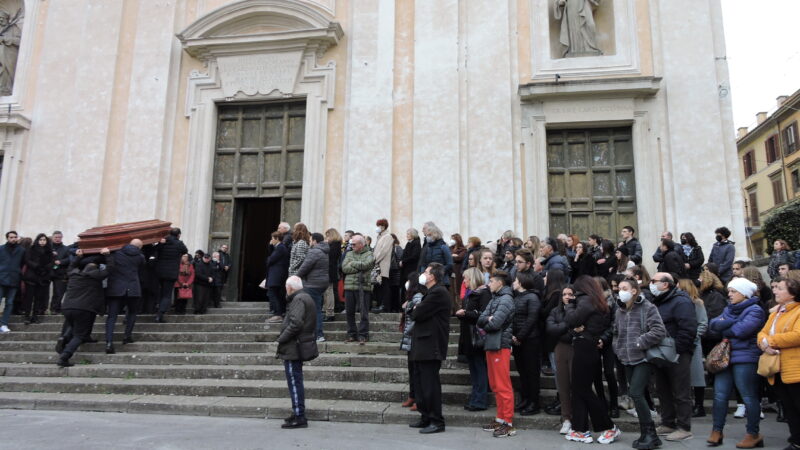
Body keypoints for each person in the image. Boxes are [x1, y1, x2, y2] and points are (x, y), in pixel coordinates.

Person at [706, 277, 766, 448]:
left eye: (733, 291)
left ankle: (753, 433)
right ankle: (717, 431)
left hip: (746, 358)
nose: (729, 295)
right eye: (729, 291)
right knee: (719, 395)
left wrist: (725, 325)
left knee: (748, 396)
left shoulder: (755, 310)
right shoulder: (729, 309)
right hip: (726, 357)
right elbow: (713, 324)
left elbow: (741, 331)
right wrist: (726, 324)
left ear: (744, 294)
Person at [564, 275, 620, 444]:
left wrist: (570, 305)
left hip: (585, 348)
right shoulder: (596, 300)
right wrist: (577, 329)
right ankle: (580, 429)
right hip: (588, 346)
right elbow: (576, 326)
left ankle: (609, 427)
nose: (572, 293)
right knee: (580, 389)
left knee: (583, 390)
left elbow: (571, 320)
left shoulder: (585, 300)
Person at [614, 277, 667, 450]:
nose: (620, 291)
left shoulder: (648, 308)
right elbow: (616, 333)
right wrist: (618, 348)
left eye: (624, 288)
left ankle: (650, 433)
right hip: (626, 358)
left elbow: (659, 330)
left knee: (636, 392)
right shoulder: (619, 311)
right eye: (619, 288)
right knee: (636, 393)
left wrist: (639, 342)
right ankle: (646, 433)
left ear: (634, 291)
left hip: (643, 358)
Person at [650, 272, 697, 441]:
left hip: (677, 353)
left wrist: (677, 350)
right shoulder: (659, 301)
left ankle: (684, 427)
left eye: (654, 281)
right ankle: (668, 422)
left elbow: (688, 328)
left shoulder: (681, 301)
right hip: (660, 353)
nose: (651, 284)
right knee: (663, 390)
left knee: (681, 391)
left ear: (666, 284)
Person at [409, 263, 450, 434]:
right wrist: (415, 308)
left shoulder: (439, 292)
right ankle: (425, 416)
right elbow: (414, 310)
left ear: (433, 276)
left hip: (431, 345)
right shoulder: (430, 293)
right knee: (420, 383)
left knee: (430, 385)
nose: (423, 274)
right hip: (422, 344)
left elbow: (417, 314)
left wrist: (415, 308)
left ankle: (436, 420)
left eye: (426, 272)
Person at [759, 277, 800, 450]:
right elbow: (762, 333)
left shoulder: (797, 311)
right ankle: (796, 440)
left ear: (793, 293)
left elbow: (797, 335)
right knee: (789, 408)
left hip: (795, 367)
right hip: (778, 368)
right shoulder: (776, 312)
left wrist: (770, 342)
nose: (775, 290)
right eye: (774, 288)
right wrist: (763, 342)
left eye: (780, 288)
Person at [56, 248, 113, 367]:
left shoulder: (73, 274)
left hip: (67, 307)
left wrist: (78, 257)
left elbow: (71, 266)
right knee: (79, 335)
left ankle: (65, 337)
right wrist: (108, 255)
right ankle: (65, 356)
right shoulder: (97, 276)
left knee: (73, 326)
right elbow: (110, 268)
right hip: (84, 308)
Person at [478, 271, 517, 438]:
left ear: (500, 283)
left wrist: (487, 320)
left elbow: (494, 324)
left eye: (492, 281)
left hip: (500, 344)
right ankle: (500, 419)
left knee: (502, 385)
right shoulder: (496, 298)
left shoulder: (506, 299)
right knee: (495, 384)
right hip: (493, 344)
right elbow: (481, 319)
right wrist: (487, 319)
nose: (489, 284)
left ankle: (508, 423)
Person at [276, 276, 318, 429]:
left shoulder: (298, 299)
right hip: (297, 345)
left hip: (294, 346)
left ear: (290, 288)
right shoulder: (304, 297)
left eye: (286, 287)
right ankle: (297, 412)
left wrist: (281, 338)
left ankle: (299, 415)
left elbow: (296, 323)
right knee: (295, 380)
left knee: (294, 381)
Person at [456, 267, 492, 411]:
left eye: (466, 278)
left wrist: (466, 313)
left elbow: (484, 315)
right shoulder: (473, 293)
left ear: (472, 278)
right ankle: (475, 398)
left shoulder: (483, 293)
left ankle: (480, 400)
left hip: (477, 337)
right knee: (474, 370)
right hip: (469, 337)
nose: (464, 281)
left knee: (479, 369)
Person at [511, 270, 544, 416]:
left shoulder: (532, 297)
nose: (513, 283)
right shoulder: (518, 297)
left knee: (531, 372)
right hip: (519, 340)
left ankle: (534, 402)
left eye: (515, 280)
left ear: (521, 282)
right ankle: (525, 399)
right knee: (522, 372)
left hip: (530, 340)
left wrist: (520, 336)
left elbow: (532, 319)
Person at [105, 239, 145, 353]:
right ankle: (127, 336)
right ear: (140, 247)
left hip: (116, 288)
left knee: (112, 316)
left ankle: (109, 342)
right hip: (133, 288)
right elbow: (142, 267)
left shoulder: (116, 253)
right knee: (132, 313)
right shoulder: (140, 257)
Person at [677, 279, 709, 419]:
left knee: (697, 376)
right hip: (681, 342)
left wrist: (692, 337)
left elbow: (702, 323)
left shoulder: (697, 303)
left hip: (693, 343)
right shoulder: (678, 304)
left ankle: (699, 405)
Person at [547, 285, 575, 434]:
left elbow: (575, 331)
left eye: (570, 294)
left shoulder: (578, 310)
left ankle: (578, 416)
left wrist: (561, 329)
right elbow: (551, 329)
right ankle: (566, 419)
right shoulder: (555, 311)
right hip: (560, 348)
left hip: (576, 349)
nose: (567, 296)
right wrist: (567, 327)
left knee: (576, 385)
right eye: (564, 294)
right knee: (563, 386)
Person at [296, 232, 329, 342]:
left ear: (315, 241)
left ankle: (318, 334)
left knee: (314, 310)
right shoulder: (324, 250)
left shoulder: (314, 251)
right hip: (321, 283)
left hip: (313, 284)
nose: (310, 242)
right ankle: (315, 334)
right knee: (316, 308)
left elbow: (305, 266)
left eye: (310, 240)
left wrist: (296, 277)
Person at [341, 234, 374, 344]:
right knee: (349, 312)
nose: (352, 246)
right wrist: (359, 267)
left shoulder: (369, 253)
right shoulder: (349, 253)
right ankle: (352, 334)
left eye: (354, 244)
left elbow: (366, 265)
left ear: (361, 244)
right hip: (349, 286)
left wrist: (353, 263)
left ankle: (363, 335)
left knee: (364, 313)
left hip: (363, 287)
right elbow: (344, 268)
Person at [400, 272, 425, 412]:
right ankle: (412, 395)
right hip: (410, 338)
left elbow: (416, 317)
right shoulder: (411, 297)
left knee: (416, 371)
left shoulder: (418, 297)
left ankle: (417, 398)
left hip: (414, 337)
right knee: (412, 370)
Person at [154, 228, 188, 323]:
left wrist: (161, 243)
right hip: (171, 272)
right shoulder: (179, 243)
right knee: (167, 295)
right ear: (178, 235)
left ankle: (157, 310)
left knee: (160, 292)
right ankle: (159, 315)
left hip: (160, 271)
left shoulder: (163, 242)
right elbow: (185, 250)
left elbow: (155, 250)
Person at [22, 233, 53, 325]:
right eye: (41, 240)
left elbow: (52, 262)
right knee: (29, 298)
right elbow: (27, 260)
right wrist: (37, 266)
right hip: (32, 276)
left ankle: (35, 316)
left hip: (42, 277)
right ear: (37, 240)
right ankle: (27, 316)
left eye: (44, 240)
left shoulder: (49, 251)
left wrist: (45, 268)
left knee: (38, 298)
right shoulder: (31, 249)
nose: (42, 242)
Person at [0, 231, 24, 333]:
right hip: (1, 278)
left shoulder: (21, 250)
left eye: (15, 237)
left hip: (14, 279)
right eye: (11, 237)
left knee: (9, 303)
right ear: (7, 238)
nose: (13, 239)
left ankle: (3, 324)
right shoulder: (1, 249)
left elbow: (23, 264)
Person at [417, 223, 453, 288]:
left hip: (442, 281)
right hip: (429, 281)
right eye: (427, 235)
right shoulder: (428, 247)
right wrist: (422, 274)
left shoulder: (443, 247)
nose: (427, 237)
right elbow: (424, 263)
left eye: (429, 235)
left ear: (435, 234)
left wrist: (438, 272)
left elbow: (450, 264)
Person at [266, 231, 290, 323]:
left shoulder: (281, 248)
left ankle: (278, 314)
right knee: (277, 294)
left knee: (273, 294)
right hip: (276, 275)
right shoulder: (278, 247)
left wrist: (268, 259)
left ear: (277, 239)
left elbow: (270, 260)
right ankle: (280, 312)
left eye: (272, 238)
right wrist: (270, 246)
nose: (271, 240)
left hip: (277, 275)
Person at [371, 218, 393, 314]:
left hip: (383, 265)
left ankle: (385, 306)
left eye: (379, 226)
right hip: (378, 265)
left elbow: (383, 251)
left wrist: (375, 260)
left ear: (383, 227)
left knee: (385, 285)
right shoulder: (379, 237)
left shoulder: (388, 236)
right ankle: (380, 304)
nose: (378, 228)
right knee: (379, 286)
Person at [323, 228, 342, 321]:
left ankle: (330, 313)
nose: (326, 238)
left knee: (329, 291)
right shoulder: (334, 245)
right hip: (329, 271)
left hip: (330, 271)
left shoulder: (335, 245)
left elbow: (330, 258)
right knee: (327, 292)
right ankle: (327, 311)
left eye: (327, 235)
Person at [50, 231, 70, 314]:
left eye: (59, 237)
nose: (58, 239)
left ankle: (55, 308)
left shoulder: (66, 248)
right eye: (56, 237)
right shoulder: (48, 247)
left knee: (59, 292)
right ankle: (42, 308)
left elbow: (69, 259)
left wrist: (61, 262)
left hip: (60, 273)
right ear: (52, 238)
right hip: (47, 272)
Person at [450, 234, 467, 312]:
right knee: (452, 291)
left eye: (453, 239)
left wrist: (453, 256)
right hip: (451, 273)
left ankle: (459, 308)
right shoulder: (450, 248)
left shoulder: (463, 249)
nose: (451, 240)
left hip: (458, 273)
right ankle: (453, 309)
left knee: (458, 290)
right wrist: (453, 256)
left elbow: (459, 258)